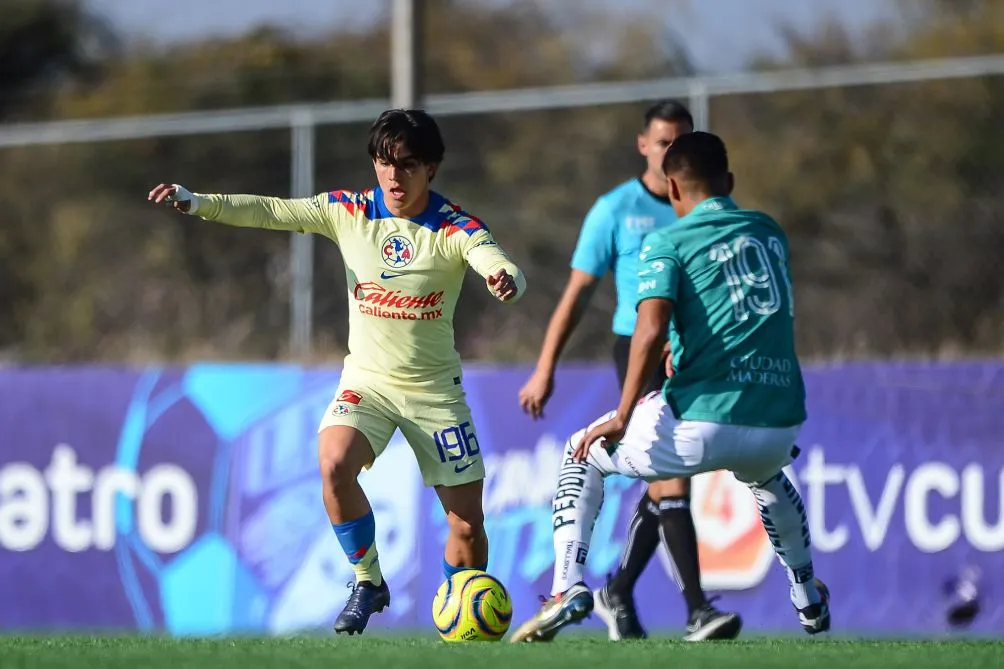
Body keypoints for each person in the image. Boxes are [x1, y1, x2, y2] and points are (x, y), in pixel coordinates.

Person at [148, 108, 526, 635]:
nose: (394, 177)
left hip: (435, 394)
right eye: (384, 163)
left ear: (432, 168)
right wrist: (199, 202)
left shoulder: (453, 227)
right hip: (367, 384)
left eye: (408, 165)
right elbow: (271, 211)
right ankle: (368, 581)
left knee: (466, 526)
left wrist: (505, 278)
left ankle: (459, 617)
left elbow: (492, 257)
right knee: (332, 463)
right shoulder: (348, 211)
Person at [510, 131, 830, 643]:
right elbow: (745, 313)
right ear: (730, 182)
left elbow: (650, 327)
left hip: (699, 421)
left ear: (673, 191)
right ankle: (807, 595)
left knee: (580, 451)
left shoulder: (667, 240)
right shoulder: (769, 232)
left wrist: (621, 411)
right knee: (768, 478)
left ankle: (567, 587)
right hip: (779, 418)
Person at [518, 100, 739, 641]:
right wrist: (544, 367)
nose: (671, 152)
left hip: (692, 353)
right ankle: (696, 610)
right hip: (639, 350)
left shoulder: (706, 205)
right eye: (663, 142)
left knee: (668, 479)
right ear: (644, 144)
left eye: (681, 142)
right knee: (671, 479)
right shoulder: (614, 210)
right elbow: (576, 294)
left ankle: (617, 591)